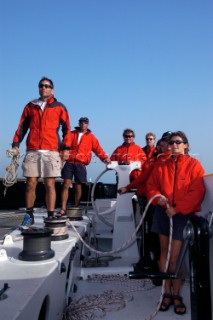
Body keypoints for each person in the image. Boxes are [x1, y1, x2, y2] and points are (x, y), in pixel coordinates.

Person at [146, 131, 205, 315]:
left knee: (175, 258)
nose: (174, 145)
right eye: (171, 142)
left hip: (180, 215)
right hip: (163, 213)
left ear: (186, 145)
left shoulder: (194, 165)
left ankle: (176, 294)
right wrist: (158, 199)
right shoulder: (161, 164)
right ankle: (166, 293)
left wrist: (177, 209)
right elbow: (151, 186)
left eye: (178, 142)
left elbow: (197, 191)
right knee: (164, 254)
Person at [12, 77, 71, 225]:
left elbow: (67, 130)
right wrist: (15, 144)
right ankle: (29, 215)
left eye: (47, 86)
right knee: (30, 183)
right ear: (39, 88)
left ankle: (50, 215)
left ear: (52, 90)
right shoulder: (30, 106)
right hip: (32, 150)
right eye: (41, 85)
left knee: (50, 184)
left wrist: (66, 148)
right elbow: (22, 127)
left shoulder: (60, 107)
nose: (43, 88)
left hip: (51, 150)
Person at [57, 117, 111, 216]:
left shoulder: (92, 137)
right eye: (81, 122)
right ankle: (63, 208)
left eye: (85, 122)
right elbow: (64, 146)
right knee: (65, 185)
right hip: (69, 162)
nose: (83, 124)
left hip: (81, 164)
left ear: (88, 124)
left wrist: (105, 159)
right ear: (79, 123)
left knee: (78, 186)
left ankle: (76, 207)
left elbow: (98, 150)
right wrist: (61, 158)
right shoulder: (71, 134)